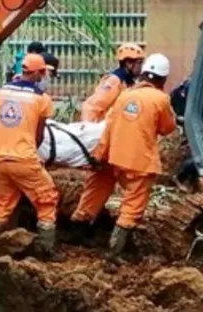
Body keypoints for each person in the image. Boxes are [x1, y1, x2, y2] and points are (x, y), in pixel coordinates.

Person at [70, 54, 176, 260]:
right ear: (162, 79)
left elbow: (109, 127)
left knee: (97, 187)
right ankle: (115, 250)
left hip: (113, 156)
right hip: (139, 161)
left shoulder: (124, 95)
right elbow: (167, 128)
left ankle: (77, 229)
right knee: (133, 203)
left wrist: (99, 155)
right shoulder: (161, 99)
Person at [0, 53, 61, 259]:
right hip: (24, 160)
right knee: (47, 199)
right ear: (37, 72)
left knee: (1, 205)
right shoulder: (41, 99)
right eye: (43, 73)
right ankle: (45, 250)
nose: (44, 77)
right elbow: (39, 134)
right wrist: (29, 151)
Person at [80, 43, 146, 122]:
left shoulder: (128, 82)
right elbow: (92, 106)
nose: (141, 67)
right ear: (129, 63)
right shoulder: (114, 81)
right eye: (139, 63)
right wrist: (89, 128)